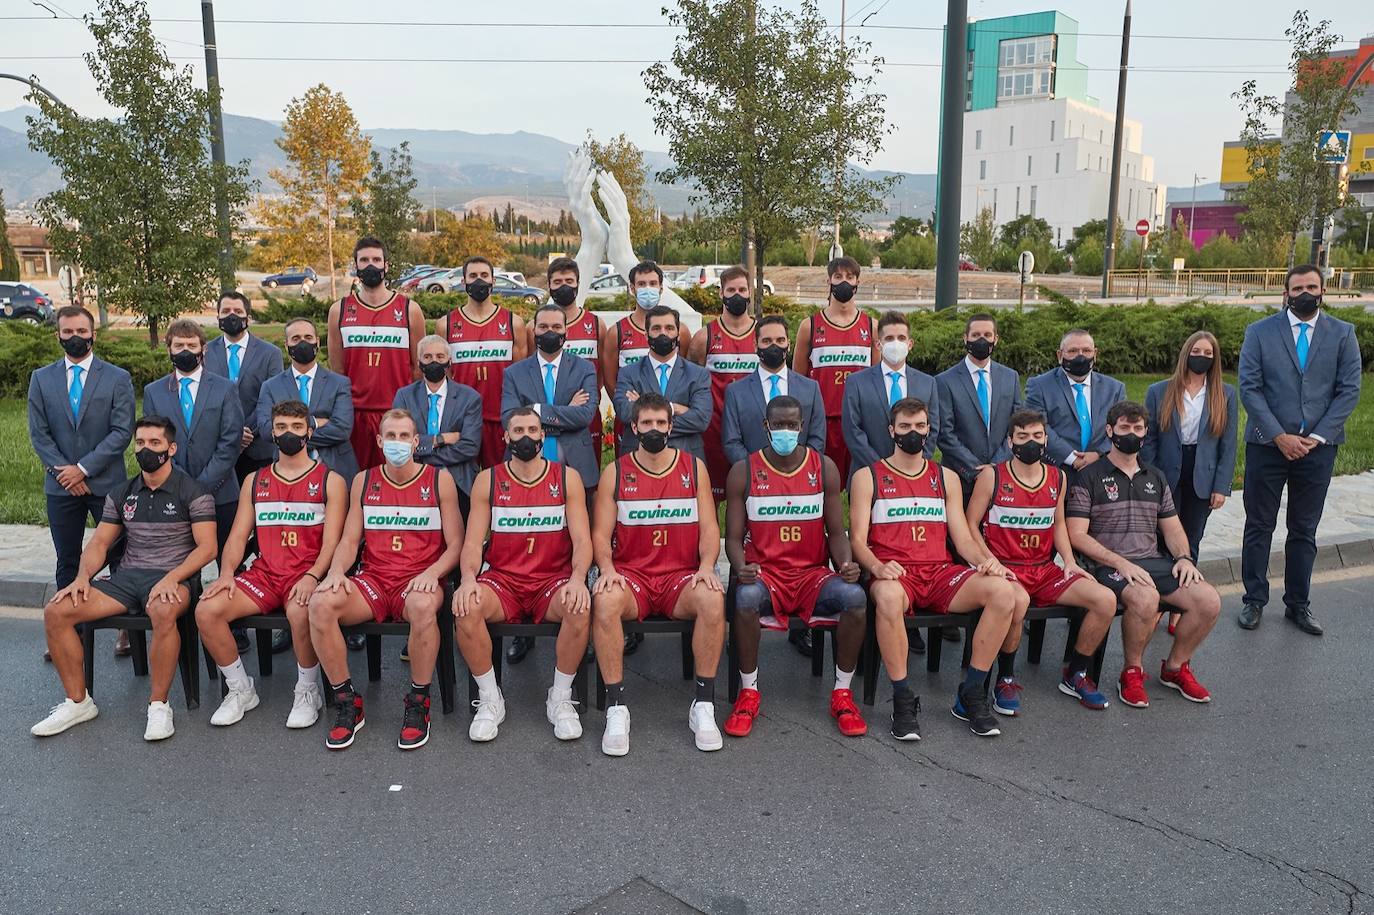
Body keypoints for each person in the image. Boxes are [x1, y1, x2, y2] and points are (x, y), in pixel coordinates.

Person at [32, 416, 218, 741]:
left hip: (174, 578)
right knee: (57, 610)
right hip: (128, 578)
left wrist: (173, 578)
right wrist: (81, 578)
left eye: (155, 443)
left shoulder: (194, 492)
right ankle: (78, 702)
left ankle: (159, 706)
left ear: (171, 448)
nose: (146, 449)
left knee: (162, 611)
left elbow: (207, 548)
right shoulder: (122, 493)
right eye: (141, 443)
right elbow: (101, 543)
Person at [848, 397, 1020, 740]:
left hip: (939, 571)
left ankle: (971, 692)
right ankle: (902, 698)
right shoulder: (868, 476)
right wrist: (877, 566)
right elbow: (857, 540)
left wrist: (985, 561)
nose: (914, 433)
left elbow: (962, 537)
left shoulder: (946, 477)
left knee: (1004, 592)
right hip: (897, 572)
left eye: (921, 426)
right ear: (891, 431)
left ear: (929, 430)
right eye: (906, 427)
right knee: (887, 598)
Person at [307, 409, 465, 751]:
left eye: (403, 436)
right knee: (320, 604)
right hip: (375, 580)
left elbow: (456, 546)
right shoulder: (364, 480)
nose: (397, 443)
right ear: (379, 442)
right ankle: (347, 701)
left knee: (424, 607)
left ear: (415, 441)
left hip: (419, 579)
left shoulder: (439, 480)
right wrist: (335, 572)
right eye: (390, 437)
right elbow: (350, 541)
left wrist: (432, 573)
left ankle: (418, 702)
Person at [195, 400, 348, 728]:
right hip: (266, 573)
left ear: (309, 431)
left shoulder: (330, 480)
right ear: (271, 432)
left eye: (295, 427)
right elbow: (237, 537)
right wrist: (225, 574)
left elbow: (333, 542)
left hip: (307, 572)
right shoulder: (256, 479)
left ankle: (308, 690)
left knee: (298, 610)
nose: (288, 434)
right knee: (207, 610)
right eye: (281, 428)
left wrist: (312, 576)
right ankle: (240, 689)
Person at [722, 395, 868, 737]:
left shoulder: (824, 467)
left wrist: (845, 562)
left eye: (791, 425)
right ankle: (749, 692)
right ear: (766, 427)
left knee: (856, 598)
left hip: (811, 575)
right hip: (766, 574)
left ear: (801, 427)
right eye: (778, 425)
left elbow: (836, 532)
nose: (785, 430)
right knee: (743, 598)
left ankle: (842, 694)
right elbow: (731, 538)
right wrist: (741, 565)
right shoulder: (744, 470)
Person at [591, 394, 726, 756]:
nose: (654, 430)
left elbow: (710, 529)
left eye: (660, 423)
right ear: (633, 428)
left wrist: (707, 566)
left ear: (671, 426)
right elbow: (601, 535)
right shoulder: (615, 472)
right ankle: (617, 709)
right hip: (633, 578)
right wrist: (606, 569)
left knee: (713, 597)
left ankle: (703, 705)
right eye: (646, 424)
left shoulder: (693, 467)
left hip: (679, 578)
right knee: (603, 600)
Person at [1067, 401, 1222, 709]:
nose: (1132, 434)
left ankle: (1175, 667)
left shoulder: (1155, 477)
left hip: (1153, 560)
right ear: (1110, 431)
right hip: (1107, 564)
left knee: (1208, 600)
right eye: (1124, 428)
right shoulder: (1089, 477)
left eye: (1138, 429)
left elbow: (1173, 529)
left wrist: (1184, 558)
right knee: (1145, 598)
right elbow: (1076, 535)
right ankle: (1132, 672)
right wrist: (1119, 562)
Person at [964, 409, 1118, 712]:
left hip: (1044, 568)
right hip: (1006, 568)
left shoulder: (1057, 477)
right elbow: (970, 525)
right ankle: (1005, 679)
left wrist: (1070, 562)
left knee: (1105, 599)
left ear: (1046, 439)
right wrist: (989, 560)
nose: (1030, 442)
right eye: (1023, 436)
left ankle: (1076, 673)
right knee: (1017, 602)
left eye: (1036, 435)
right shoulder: (992, 476)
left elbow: (1059, 524)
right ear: (1010, 441)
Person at [454, 408, 593, 743]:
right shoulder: (488, 479)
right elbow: (473, 542)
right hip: (504, 581)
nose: (527, 436)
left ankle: (560, 698)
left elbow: (583, 541)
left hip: (552, 580)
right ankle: (490, 699)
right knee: (466, 606)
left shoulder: (566, 478)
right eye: (518, 430)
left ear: (543, 435)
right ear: (506, 437)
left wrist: (577, 579)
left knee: (578, 606)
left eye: (533, 429)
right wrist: (468, 578)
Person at [1236, 265, 1361, 635]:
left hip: (1318, 450)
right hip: (1267, 446)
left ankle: (1298, 604)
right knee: (1259, 525)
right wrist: (1279, 436)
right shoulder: (1259, 333)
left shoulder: (1343, 334)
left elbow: (1349, 390)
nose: (1305, 292)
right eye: (1297, 287)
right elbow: (1250, 388)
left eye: (1312, 286)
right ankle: (1253, 601)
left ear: (1323, 291)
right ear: (1285, 293)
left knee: (1304, 529)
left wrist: (1317, 436)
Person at [28, 305, 134, 657]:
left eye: (81, 331)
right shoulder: (41, 379)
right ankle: (69, 627)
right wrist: (66, 473)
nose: (76, 337)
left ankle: (126, 627)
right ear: (58, 334)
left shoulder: (117, 378)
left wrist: (84, 469)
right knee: (67, 558)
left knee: (119, 554)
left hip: (106, 483)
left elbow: (121, 432)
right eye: (68, 332)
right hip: (60, 486)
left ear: (93, 334)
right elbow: (39, 435)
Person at [1142, 332, 1239, 635]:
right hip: (1167, 471)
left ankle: (1181, 607)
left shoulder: (1225, 393)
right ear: (1186, 353)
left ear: (1215, 358)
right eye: (1196, 350)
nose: (1201, 356)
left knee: (1191, 539)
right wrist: (1150, 478)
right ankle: (1159, 601)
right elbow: (1150, 439)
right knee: (1161, 539)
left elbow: (1228, 444)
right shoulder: (1160, 391)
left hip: (1203, 474)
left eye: (1208, 352)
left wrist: (1221, 486)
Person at [142, 319, 244, 555]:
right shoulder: (153, 392)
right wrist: (183, 485)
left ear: (203, 349)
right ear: (169, 349)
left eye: (191, 345)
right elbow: (154, 441)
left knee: (229, 561)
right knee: (180, 564)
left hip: (222, 492)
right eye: (179, 346)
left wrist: (203, 486)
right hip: (173, 494)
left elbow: (230, 441)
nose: (185, 351)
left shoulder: (225, 388)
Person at [327, 236, 425, 472]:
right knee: (355, 485)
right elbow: (337, 370)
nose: (370, 265)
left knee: (397, 483)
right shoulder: (339, 310)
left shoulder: (409, 309)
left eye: (376, 259)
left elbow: (417, 368)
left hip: (395, 415)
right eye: (364, 260)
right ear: (356, 266)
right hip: (355, 416)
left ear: (386, 265)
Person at [793, 256, 879, 479]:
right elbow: (797, 381)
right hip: (822, 422)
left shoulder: (872, 326)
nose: (844, 282)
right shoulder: (809, 326)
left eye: (850, 277)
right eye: (838, 276)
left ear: (858, 282)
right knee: (820, 484)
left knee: (863, 485)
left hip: (860, 422)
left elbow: (877, 380)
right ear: (828, 281)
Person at [444, 255, 529, 468]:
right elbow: (446, 379)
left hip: (500, 418)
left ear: (493, 281)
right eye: (473, 276)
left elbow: (521, 376)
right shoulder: (446, 324)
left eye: (484, 275)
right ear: (463, 282)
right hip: (462, 421)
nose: (479, 281)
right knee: (463, 487)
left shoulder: (513, 323)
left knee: (499, 481)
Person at [601, 260, 691, 457]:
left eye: (652, 283)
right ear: (632, 288)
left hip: (671, 419)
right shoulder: (617, 332)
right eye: (642, 284)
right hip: (631, 418)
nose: (647, 288)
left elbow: (684, 373)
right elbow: (610, 380)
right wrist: (631, 407)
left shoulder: (681, 331)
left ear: (661, 288)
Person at [257, 317, 359, 484]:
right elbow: (266, 430)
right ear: (286, 345)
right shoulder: (270, 387)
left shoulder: (339, 383)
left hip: (335, 471)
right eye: (295, 339)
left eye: (308, 338)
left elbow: (342, 429)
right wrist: (315, 422)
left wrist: (290, 436)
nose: (302, 342)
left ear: (317, 342)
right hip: (286, 474)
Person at [393, 334, 483, 518]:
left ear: (449, 361)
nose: (434, 361)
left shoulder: (470, 398)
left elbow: (470, 447)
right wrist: (441, 439)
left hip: (459, 482)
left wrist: (424, 451)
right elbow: (400, 441)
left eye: (440, 357)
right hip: (414, 478)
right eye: (428, 357)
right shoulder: (404, 396)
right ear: (419, 362)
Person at [688, 265, 758, 501]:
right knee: (710, 498)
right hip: (714, 431)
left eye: (742, 289)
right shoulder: (703, 338)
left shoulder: (763, 335)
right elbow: (692, 386)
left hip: (753, 429)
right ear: (721, 293)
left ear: (750, 292)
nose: (737, 295)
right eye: (731, 290)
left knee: (754, 495)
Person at [841, 311, 940, 474]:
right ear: (878, 344)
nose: (896, 343)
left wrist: (915, 464)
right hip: (868, 475)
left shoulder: (928, 383)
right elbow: (852, 431)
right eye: (889, 338)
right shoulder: (856, 382)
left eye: (901, 338)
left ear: (910, 344)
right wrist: (881, 469)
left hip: (914, 475)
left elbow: (933, 428)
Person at [721, 315, 827, 466]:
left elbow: (818, 438)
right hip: (755, 479)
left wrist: (802, 468)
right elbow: (731, 442)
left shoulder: (811, 388)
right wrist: (754, 471)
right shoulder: (735, 392)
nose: (774, 346)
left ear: (788, 345)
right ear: (755, 346)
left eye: (780, 340)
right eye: (767, 341)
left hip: (800, 478)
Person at [935, 313, 1023, 495]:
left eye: (987, 335)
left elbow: (1017, 428)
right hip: (960, 478)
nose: (981, 340)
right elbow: (944, 433)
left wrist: (996, 467)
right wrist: (975, 469)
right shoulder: (944, 381)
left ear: (995, 339)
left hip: (1003, 477)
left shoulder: (1011, 377)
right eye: (975, 335)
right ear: (965, 338)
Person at [203, 291, 285, 483]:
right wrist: (230, 434)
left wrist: (245, 431)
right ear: (218, 317)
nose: (232, 315)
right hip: (216, 447)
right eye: (226, 311)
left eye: (238, 310)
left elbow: (272, 398)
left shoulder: (270, 353)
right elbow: (203, 397)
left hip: (257, 448)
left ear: (248, 317)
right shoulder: (204, 352)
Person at [613, 304, 712, 459]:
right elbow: (625, 413)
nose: (663, 333)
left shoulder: (698, 374)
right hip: (638, 458)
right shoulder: (628, 373)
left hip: (685, 458)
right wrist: (678, 409)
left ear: (678, 334)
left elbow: (701, 419)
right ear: (646, 334)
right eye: (656, 328)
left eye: (669, 328)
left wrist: (645, 409)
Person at [1024, 329, 1126, 473]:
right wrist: (1072, 458)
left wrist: (1098, 454)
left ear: (1095, 354)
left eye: (1086, 350)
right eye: (1072, 351)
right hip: (1056, 470)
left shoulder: (1115, 389)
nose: (1081, 356)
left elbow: (1121, 427)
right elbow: (1037, 426)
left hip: (1102, 470)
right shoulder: (1039, 386)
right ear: (1059, 355)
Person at [542, 255, 606, 471]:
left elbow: (604, 370)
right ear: (549, 285)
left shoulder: (596, 324)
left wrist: (590, 399)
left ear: (578, 284)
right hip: (550, 413)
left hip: (587, 413)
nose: (564, 287)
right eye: (557, 282)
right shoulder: (538, 325)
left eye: (569, 281)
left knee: (588, 478)